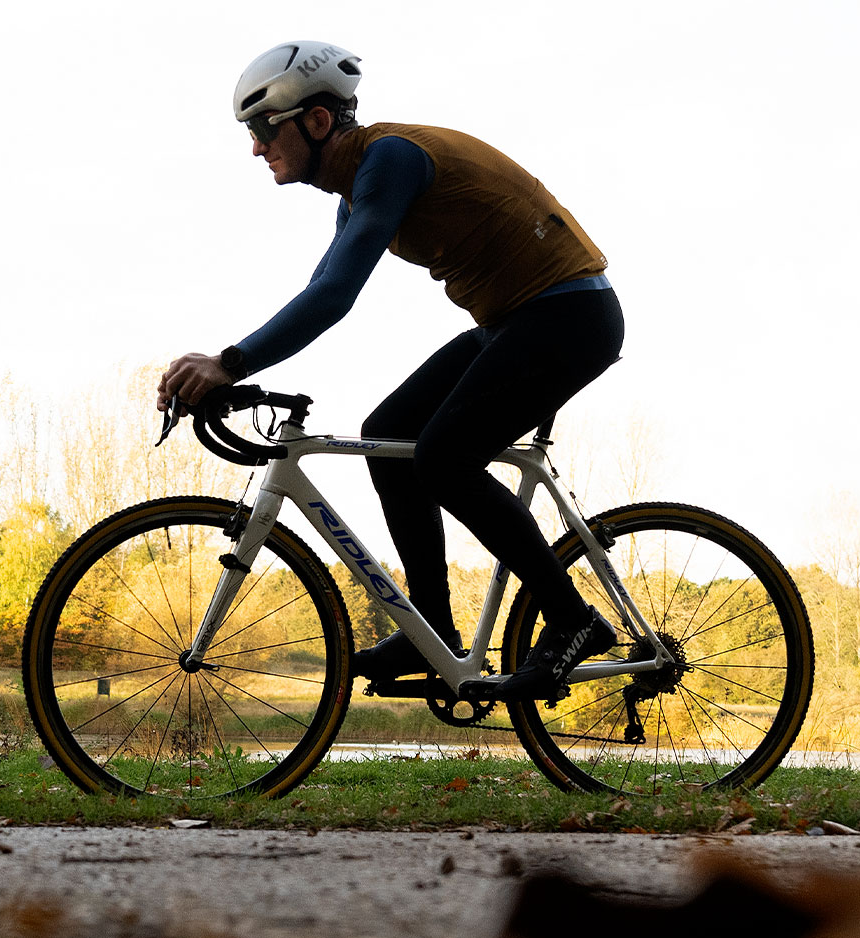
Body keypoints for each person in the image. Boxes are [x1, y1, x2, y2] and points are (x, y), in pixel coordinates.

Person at [156, 41, 624, 700]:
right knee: (390, 434)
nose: (257, 149)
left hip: (570, 316)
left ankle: (573, 621)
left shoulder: (391, 160)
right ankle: (431, 630)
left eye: (264, 129)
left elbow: (333, 297)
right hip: (513, 323)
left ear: (317, 122)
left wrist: (229, 363)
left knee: (444, 457)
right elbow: (320, 291)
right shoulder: (356, 191)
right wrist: (231, 364)